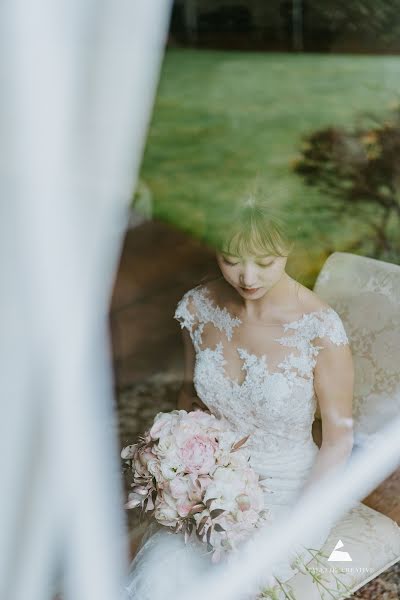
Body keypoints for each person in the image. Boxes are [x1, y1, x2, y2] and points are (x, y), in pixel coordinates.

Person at [123, 196, 354, 599]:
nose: (247, 277)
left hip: (291, 493)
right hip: (209, 486)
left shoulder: (319, 329)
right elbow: (189, 396)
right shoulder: (198, 308)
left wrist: (303, 522)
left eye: (265, 262)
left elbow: (339, 439)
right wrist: (177, 461)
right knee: (161, 577)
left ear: (289, 248)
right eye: (231, 259)